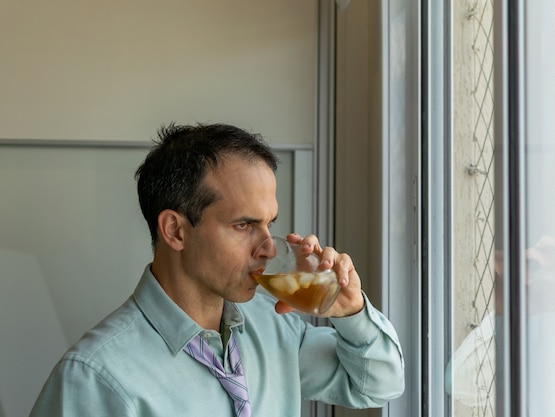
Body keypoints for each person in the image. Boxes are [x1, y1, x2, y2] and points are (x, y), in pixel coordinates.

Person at [29, 123, 405, 416]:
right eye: (243, 225)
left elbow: (378, 385)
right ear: (176, 230)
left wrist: (350, 312)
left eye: (269, 223)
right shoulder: (95, 377)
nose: (270, 247)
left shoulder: (271, 327)